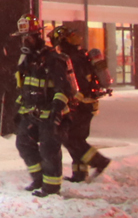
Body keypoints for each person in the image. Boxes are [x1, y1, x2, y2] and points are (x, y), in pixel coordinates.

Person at [14, 16, 71, 197]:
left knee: (49, 149)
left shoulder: (53, 59)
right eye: (24, 37)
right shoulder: (27, 60)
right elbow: (25, 87)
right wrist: (18, 108)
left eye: (29, 37)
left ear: (38, 36)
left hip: (51, 113)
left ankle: (51, 187)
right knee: (23, 143)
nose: (25, 41)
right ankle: (39, 178)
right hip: (31, 112)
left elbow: (64, 88)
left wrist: (57, 111)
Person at [51, 25, 112, 183]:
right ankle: (79, 175)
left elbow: (74, 83)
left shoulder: (71, 58)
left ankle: (99, 161)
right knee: (77, 138)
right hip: (87, 104)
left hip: (81, 105)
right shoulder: (80, 55)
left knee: (71, 139)